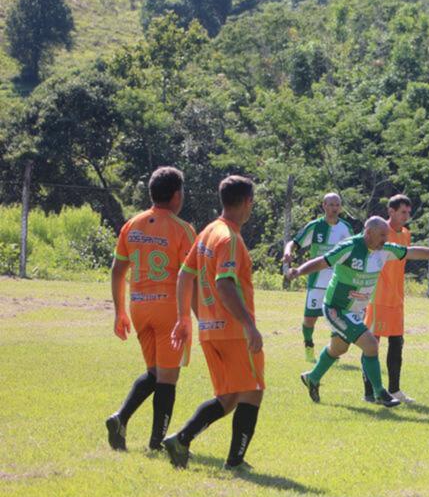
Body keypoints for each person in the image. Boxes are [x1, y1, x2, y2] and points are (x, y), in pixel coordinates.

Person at [286, 216, 429, 407]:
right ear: (368, 233)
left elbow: (413, 252)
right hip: (336, 309)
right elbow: (322, 262)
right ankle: (380, 393)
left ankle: (312, 378)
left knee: (338, 348)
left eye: (387, 235)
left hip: (356, 311)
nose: (385, 239)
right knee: (371, 345)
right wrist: (298, 271)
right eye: (382, 235)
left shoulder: (385, 250)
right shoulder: (349, 247)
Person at [163, 175, 265, 470]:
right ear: (247, 202)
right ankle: (235, 461)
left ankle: (180, 440)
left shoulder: (208, 231)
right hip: (234, 332)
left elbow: (184, 275)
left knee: (228, 396)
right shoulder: (229, 238)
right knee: (253, 390)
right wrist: (248, 325)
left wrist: (187, 316)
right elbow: (224, 284)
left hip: (210, 331)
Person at [105, 166, 196, 452]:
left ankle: (121, 418)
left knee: (155, 373)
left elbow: (118, 270)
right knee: (168, 377)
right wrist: (197, 316)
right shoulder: (183, 230)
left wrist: (119, 311)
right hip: (169, 308)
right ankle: (156, 443)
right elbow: (190, 276)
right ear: (177, 195)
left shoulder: (132, 224)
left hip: (139, 307)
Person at [283, 193, 354, 363]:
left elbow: (353, 251)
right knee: (309, 319)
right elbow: (294, 242)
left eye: (337, 205)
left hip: (338, 281)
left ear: (340, 207)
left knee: (336, 317)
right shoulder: (315, 226)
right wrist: (287, 252)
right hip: (316, 281)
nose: (334, 208)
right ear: (324, 206)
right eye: (330, 204)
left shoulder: (346, 228)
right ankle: (309, 346)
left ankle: (333, 352)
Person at [363, 194, 413, 403]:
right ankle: (369, 392)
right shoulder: (380, 233)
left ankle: (394, 390)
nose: (406, 217)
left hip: (396, 299)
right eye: (403, 212)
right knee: (371, 344)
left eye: (408, 213)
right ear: (390, 212)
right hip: (378, 297)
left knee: (397, 343)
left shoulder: (406, 234)